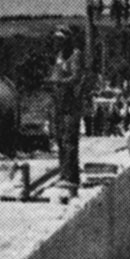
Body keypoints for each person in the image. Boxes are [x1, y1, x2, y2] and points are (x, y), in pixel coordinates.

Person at [47, 26, 83, 197]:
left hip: (70, 103)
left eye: (61, 40)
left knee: (69, 140)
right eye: (57, 39)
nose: (58, 43)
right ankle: (64, 172)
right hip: (58, 103)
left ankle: (71, 176)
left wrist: (60, 82)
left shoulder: (75, 55)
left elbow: (76, 77)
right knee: (60, 138)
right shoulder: (59, 56)